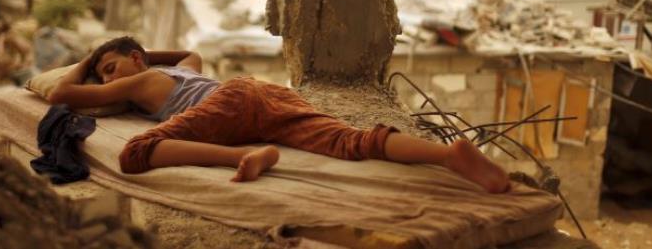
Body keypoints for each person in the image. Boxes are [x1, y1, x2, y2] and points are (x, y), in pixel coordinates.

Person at [49, 37, 510, 192]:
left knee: (137, 151)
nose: (107, 82)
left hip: (224, 108)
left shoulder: (141, 80)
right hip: (258, 92)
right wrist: (131, 54)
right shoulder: (186, 67)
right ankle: (448, 154)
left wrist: (91, 58)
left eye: (112, 69)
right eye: (103, 74)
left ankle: (243, 158)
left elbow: (61, 94)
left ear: (136, 58)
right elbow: (189, 49)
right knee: (347, 140)